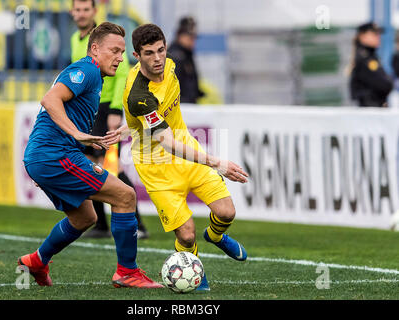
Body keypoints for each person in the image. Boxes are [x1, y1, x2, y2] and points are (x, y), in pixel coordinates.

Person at [104, 24, 249, 291]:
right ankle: (193, 268)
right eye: (149, 53)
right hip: (156, 167)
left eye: (161, 50)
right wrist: (217, 162)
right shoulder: (139, 94)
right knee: (186, 232)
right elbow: (166, 141)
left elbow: (153, 121)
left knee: (226, 212)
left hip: (186, 151)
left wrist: (128, 128)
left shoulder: (170, 66)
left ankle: (215, 235)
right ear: (137, 55)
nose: (157, 58)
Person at [18, 22, 162, 289]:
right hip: (53, 155)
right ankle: (127, 272)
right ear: (95, 49)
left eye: (122, 52)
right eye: (114, 51)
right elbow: (50, 100)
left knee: (85, 218)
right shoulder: (87, 69)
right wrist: (77, 134)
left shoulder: (93, 75)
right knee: (125, 195)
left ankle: (37, 261)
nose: (120, 58)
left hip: (47, 156)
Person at [70, 0, 149, 239]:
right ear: (72, 12)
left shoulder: (106, 39)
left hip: (106, 110)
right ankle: (101, 224)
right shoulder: (76, 39)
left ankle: (138, 224)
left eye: (86, 9)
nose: (82, 14)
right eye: (78, 9)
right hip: (88, 110)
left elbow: (123, 71)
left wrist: (116, 111)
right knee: (87, 165)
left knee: (111, 165)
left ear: (94, 11)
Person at [349, 22, 393, 107]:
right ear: (362, 36)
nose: (378, 37)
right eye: (374, 34)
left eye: (378, 34)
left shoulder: (370, 55)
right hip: (369, 109)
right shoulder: (365, 58)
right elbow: (385, 85)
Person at [168, 16, 204, 104]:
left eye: (194, 38)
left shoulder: (186, 54)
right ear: (180, 36)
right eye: (190, 38)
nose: (193, 42)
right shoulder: (175, 56)